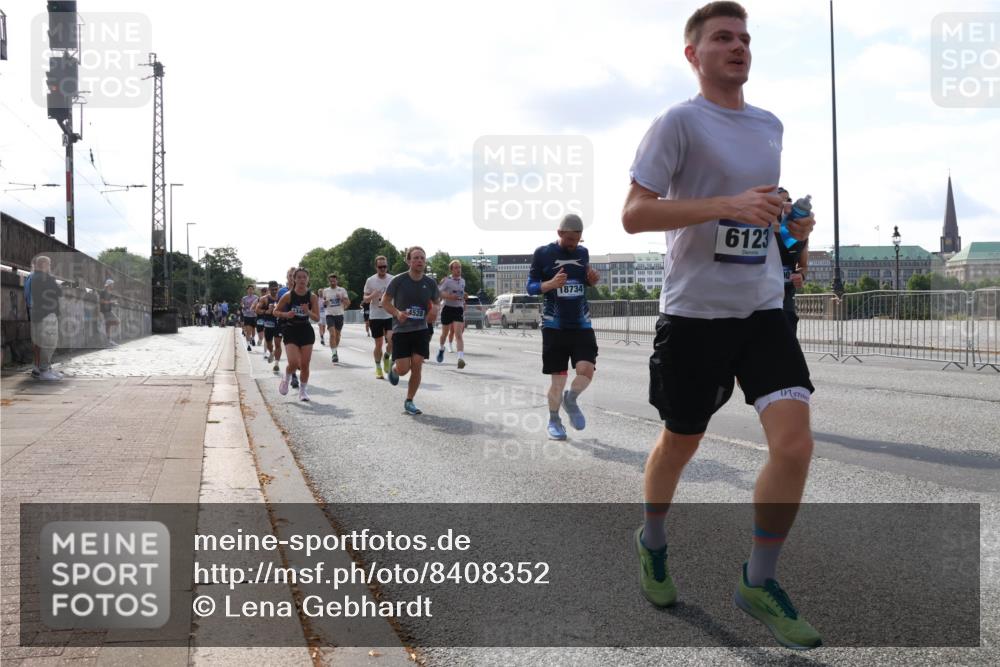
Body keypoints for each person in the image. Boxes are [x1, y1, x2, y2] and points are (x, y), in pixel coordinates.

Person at [621, 2, 820, 650]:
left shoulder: (770, 126)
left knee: (793, 444)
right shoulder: (677, 122)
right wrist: (728, 204)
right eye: (723, 38)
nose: (738, 47)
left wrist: (788, 226)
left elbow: (758, 217)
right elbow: (634, 214)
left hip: (762, 307)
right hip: (695, 313)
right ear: (694, 54)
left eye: (745, 38)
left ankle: (758, 579)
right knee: (680, 442)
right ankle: (652, 539)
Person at [527, 214, 601, 441]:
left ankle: (571, 399)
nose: (573, 244)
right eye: (569, 239)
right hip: (554, 325)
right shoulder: (543, 253)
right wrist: (550, 284)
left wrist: (591, 280)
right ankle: (554, 420)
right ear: (559, 233)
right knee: (558, 379)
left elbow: (582, 281)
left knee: (586, 370)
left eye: (577, 240)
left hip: (581, 323)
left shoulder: (582, 252)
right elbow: (530, 287)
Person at [382, 247, 438, 415]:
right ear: (408, 261)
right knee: (404, 369)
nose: (419, 260)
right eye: (415, 258)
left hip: (421, 329)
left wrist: (435, 309)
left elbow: (436, 302)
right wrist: (397, 313)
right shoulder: (399, 281)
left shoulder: (430, 283)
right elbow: (385, 302)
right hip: (401, 330)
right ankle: (394, 369)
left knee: (418, 365)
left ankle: (409, 401)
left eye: (422, 257)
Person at [275, 268, 319, 401]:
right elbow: (275, 312)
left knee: (305, 364)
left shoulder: (312, 297)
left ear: (308, 279)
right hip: (291, 329)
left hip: (306, 330)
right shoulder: (288, 295)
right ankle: (286, 378)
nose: (301, 280)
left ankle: (303, 391)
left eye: (304, 277)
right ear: (294, 279)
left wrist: (308, 312)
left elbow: (317, 318)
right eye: (299, 277)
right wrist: (286, 314)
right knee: (293, 362)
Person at [776, 188, 809, 335]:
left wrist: (801, 276)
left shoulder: (800, 233)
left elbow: (803, 265)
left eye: (788, 199)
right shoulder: (760, 226)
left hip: (786, 300)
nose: (786, 203)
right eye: (781, 200)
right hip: (760, 300)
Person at [29, 255, 63, 381]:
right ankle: (44, 370)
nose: (50, 267)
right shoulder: (46, 278)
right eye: (49, 264)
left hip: (37, 313)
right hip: (47, 314)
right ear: (43, 265)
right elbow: (60, 292)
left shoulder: (33, 277)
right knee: (49, 343)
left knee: (40, 342)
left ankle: (44, 369)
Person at [363, 256, 394, 379]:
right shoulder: (370, 280)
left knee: (392, 341)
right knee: (379, 343)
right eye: (380, 267)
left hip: (389, 314)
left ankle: (386, 357)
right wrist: (372, 295)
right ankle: (378, 368)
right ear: (376, 267)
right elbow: (365, 299)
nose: (383, 269)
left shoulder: (393, 279)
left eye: (385, 266)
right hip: (375, 316)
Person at [436, 260, 467, 369]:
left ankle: (460, 358)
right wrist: (450, 296)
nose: (458, 270)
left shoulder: (462, 281)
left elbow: (462, 293)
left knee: (458, 334)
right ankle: (441, 348)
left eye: (459, 267)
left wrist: (464, 297)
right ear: (451, 269)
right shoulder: (447, 281)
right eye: (456, 268)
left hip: (458, 308)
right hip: (447, 308)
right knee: (445, 333)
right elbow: (439, 292)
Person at [277, 267, 300, 388]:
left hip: (301, 324)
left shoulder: (304, 291)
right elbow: (278, 309)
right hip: (286, 323)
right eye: (290, 275)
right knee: (292, 352)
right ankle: (294, 377)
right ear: (287, 278)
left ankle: (297, 366)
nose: (292, 278)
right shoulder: (282, 292)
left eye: (294, 275)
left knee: (300, 354)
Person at [322, 273, 350, 363]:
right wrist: (325, 303)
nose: (332, 282)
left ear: (336, 281)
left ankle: (335, 349)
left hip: (339, 315)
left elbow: (348, 303)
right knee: (332, 334)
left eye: (334, 280)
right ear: (329, 281)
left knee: (337, 335)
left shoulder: (342, 290)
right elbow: (324, 304)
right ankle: (334, 354)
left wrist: (341, 298)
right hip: (329, 315)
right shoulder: (325, 291)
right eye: (331, 280)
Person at [256, 281, 283, 371]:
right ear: (269, 289)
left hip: (279, 323)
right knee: (269, 344)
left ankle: (276, 364)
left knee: (278, 344)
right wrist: (266, 311)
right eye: (272, 289)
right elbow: (257, 310)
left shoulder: (282, 297)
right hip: (268, 323)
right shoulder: (264, 299)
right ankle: (271, 352)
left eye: (276, 289)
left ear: (278, 288)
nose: (275, 291)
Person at [99, 279, 120, 346]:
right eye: (112, 284)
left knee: (109, 325)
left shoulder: (109, 293)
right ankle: (109, 340)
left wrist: (114, 303)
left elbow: (109, 302)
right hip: (105, 311)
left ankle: (109, 340)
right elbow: (102, 301)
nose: (113, 286)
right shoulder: (103, 292)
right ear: (109, 285)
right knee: (117, 321)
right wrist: (111, 302)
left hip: (109, 310)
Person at [241, 285, 259, 351]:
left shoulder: (256, 297)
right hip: (247, 315)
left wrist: (256, 308)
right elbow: (242, 304)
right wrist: (243, 306)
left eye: (252, 289)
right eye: (249, 289)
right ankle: (248, 345)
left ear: (253, 290)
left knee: (253, 330)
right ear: (247, 290)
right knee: (248, 331)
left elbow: (258, 304)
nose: (250, 290)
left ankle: (253, 338)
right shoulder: (244, 298)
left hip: (254, 315)